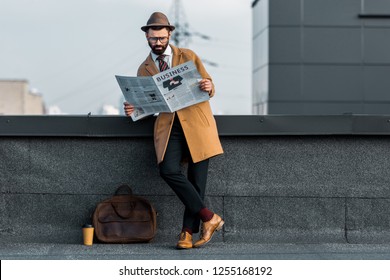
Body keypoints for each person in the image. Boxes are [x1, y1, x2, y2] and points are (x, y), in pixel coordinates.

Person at [124, 12, 224, 249]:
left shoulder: (187, 56)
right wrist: (133, 109)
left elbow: (208, 84)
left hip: (197, 124)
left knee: (197, 181)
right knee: (168, 170)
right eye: (152, 39)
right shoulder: (144, 68)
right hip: (169, 127)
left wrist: (209, 86)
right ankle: (210, 218)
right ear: (146, 37)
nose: (157, 43)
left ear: (169, 33)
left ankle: (187, 233)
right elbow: (147, 107)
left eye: (160, 38)